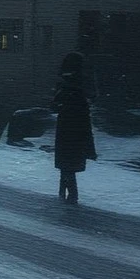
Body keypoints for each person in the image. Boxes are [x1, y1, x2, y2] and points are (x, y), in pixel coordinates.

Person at [52, 51, 96, 204]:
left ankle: (67, 193)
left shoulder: (66, 87)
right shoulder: (80, 87)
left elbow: (54, 106)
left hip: (67, 129)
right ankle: (68, 194)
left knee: (66, 164)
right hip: (77, 130)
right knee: (69, 164)